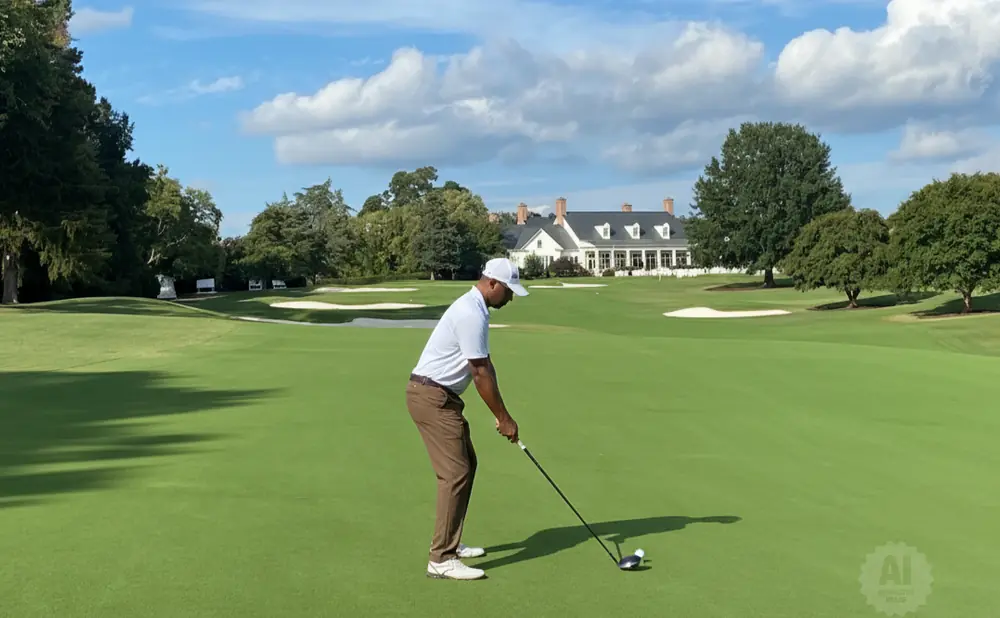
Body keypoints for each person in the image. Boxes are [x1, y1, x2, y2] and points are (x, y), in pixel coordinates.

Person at [406, 257, 528, 580]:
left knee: (466, 465)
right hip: (431, 397)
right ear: (491, 284)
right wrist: (504, 418)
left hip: (440, 397)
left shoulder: (476, 309)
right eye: (508, 290)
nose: (511, 297)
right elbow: (479, 373)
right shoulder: (471, 313)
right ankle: (441, 558)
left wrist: (503, 415)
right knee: (456, 473)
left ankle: (452, 545)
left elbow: (486, 365)